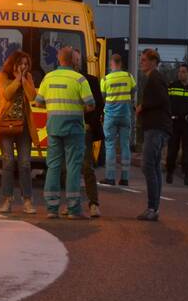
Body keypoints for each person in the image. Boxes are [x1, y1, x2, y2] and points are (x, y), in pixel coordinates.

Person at [34, 46, 95, 219]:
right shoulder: (79, 79)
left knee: (53, 166)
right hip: (74, 129)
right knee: (73, 167)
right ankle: (73, 209)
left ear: (59, 59)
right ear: (73, 60)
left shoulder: (49, 77)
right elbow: (90, 104)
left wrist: (53, 106)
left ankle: (52, 208)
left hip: (53, 128)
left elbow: (38, 102)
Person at [0, 50, 38, 214]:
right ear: (14, 63)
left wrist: (24, 80)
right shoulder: (2, 76)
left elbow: (32, 96)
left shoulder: (28, 77)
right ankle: (7, 200)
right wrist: (17, 79)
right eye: (21, 64)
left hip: (23, 127)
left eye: (26, 64)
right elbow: (7, 94)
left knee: (25, 163)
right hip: (6, 125)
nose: (24, 67)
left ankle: (27, 201)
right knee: (8, 162)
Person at [135, 48, 171, 221]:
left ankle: (152, 208)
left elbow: (161, 99)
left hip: (155, 128)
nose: (141, 63)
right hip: (157, 127)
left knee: (148, 166)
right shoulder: (155, 78)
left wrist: (143, 106)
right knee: (154, 167)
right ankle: (154, 208)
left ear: (152, 61)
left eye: (143, 60)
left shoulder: (154, 79)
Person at [72, 48, 104, 218]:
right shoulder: (64, 80)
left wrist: (88, 123)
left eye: (77, 59)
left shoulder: (91, 81)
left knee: (86, 167)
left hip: (84, 129)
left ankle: (94, 204)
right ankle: (72, 203)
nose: (75, 62)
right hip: (68, 129)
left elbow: (98, 105)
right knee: (69, 169)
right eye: (73, 59)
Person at [100, 54, 136, 186]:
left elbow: (103, 96)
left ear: (111, 64)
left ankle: (110, 177)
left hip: (110, 116)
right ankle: (125, 178)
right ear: (121, 63)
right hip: (125, 115)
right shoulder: (128, 77)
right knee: (125, 145)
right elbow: (133, 91)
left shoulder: (105, 79)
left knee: (110, 146)